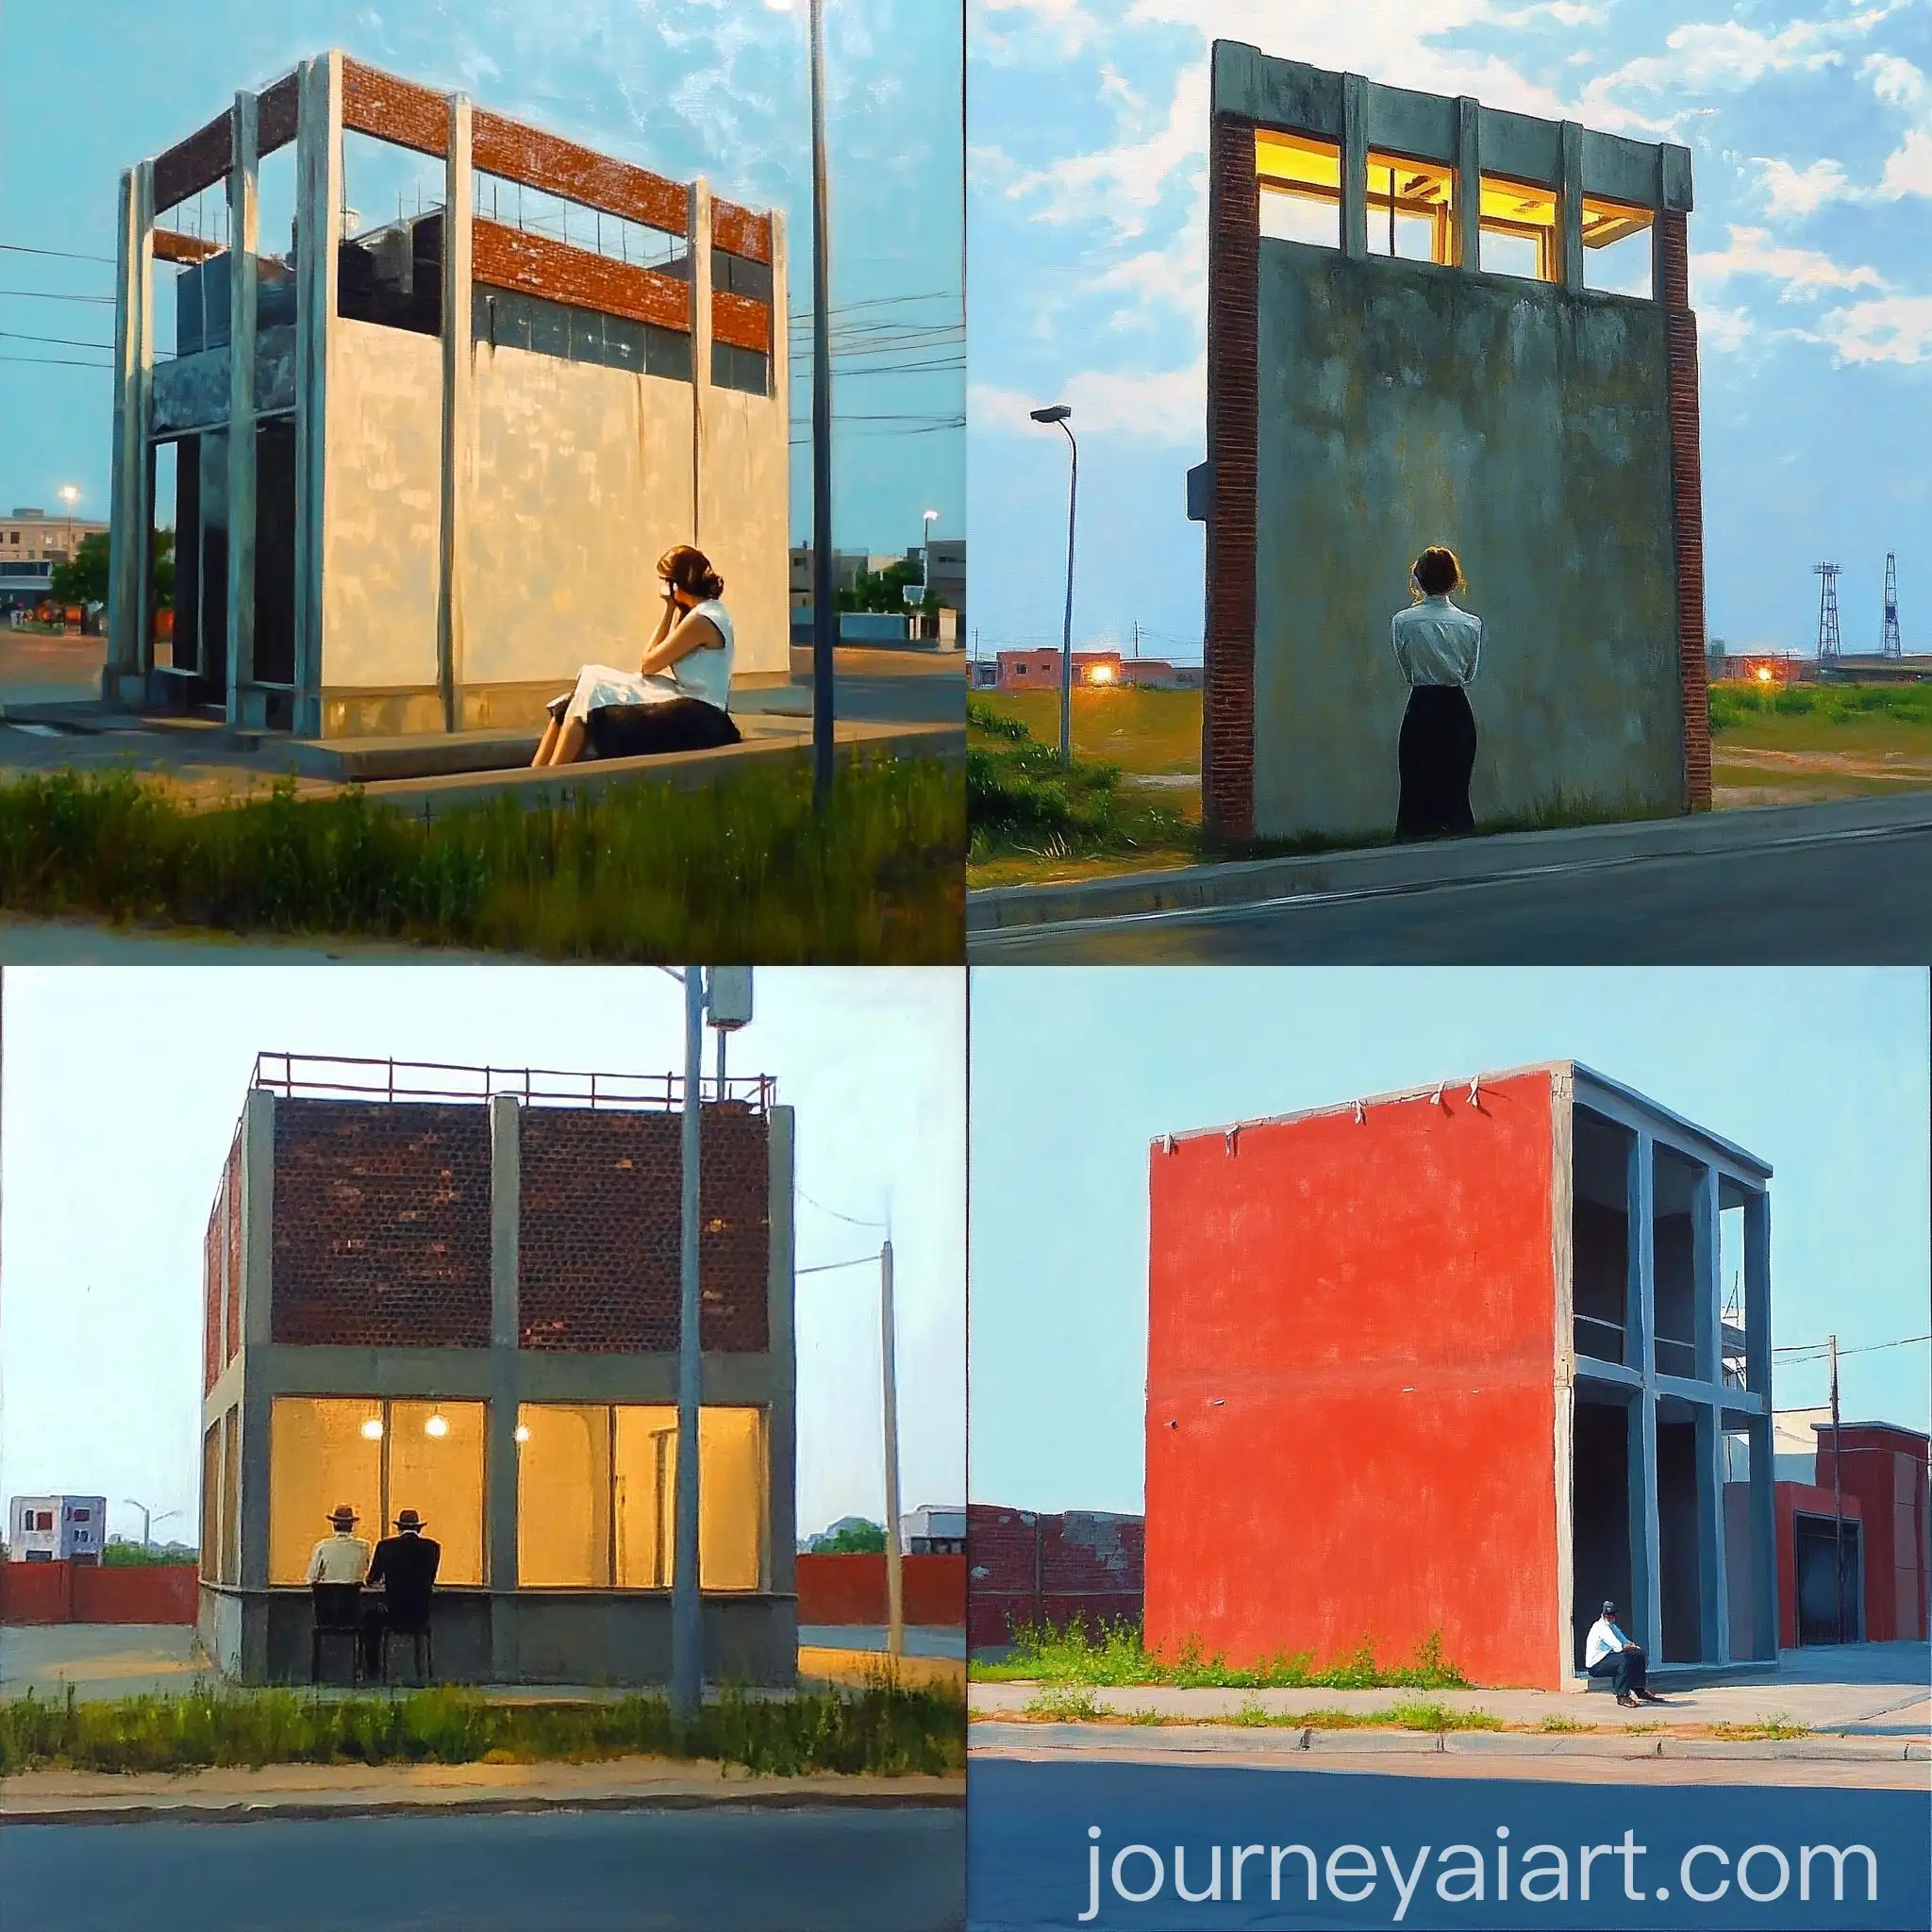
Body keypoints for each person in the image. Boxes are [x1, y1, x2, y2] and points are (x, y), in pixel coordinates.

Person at [533, 545, 742, 767]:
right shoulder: (703, 612)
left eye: (665, 582)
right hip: (687, 698)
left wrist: (670, 608)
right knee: (578, 697)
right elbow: (650, 659)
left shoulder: (701, 620)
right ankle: (534, 775)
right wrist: (670, 609)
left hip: (701, 711)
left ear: (676, 584)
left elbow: (649, 664)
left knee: (590, 691)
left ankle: (550, 779)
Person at [1391, 545, 1483, 839]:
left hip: (1421, 705)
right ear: (1455, 580)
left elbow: (1407, 670)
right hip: (1456, 707)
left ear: (1418, 579)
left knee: (1416, 787)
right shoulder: (1472, 624)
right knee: (1456, 789)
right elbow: (1469, 674)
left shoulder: (1402, 622)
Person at [360, 1507, 441, 1678]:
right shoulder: (432, 1548)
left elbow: (372, 1579)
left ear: (399, 1528)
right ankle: (424, 1673)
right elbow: (431, 1576)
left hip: (394, 1614)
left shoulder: (386, 1546)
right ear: (419, 1528)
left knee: (370, 1617)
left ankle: (372, 1667)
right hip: (420, 1614)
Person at [1585, 1599, 1664, 1707]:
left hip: (1608, 1658)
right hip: (1596, 1665)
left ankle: (1639, 1689)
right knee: (1624, 1659)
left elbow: (1625, 1641)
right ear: (1603, 1615)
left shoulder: (1612, 1626)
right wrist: (1628, 1646)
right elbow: (1619, 1647)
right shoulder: (1601, 1627)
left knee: (1638, 1654)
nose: (1610, 1617)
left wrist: (1633, 1647)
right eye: (1608, 1615)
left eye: (1612, 1615)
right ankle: (1622, 1696)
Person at [305, 1504, 371, 1585]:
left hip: (328, 1595)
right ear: (352, 1525)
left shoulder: (322, 1546)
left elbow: (311, 1578)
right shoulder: (363, 1547)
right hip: (354, 1595)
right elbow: (370, 1574)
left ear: (334, 1524)